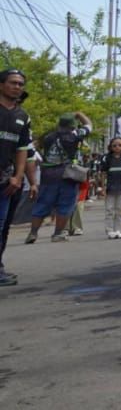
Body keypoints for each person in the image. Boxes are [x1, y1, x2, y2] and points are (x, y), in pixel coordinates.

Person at [27, 112, 93, 244]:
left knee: (43, 203)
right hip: (67, 174)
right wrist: (79, 114)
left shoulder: (47, 137)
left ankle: (33, 233)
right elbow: (89, 125)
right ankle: (58, 234)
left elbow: (34, 147)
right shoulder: (74, 135)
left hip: (48, 174)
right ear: (72, 126)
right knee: (65, 204)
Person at [0, 68, 33, 284]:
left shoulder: (22, 116)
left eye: (21, 84)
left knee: (2, 226)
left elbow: (22, 149)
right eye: (13, 83)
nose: (17, 87)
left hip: (6, 181)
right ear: (1, 84)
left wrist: (18, 177)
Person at [98, 137, 121, 239]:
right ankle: (109, 230)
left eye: (120, 145)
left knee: (119, 210)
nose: (117, 147)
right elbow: (103, 173)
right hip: (110, 187)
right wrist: (103, 187)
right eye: (115, 145)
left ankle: (118, 230)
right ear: (111, 147)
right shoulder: (107, 158)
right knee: (109, 210)